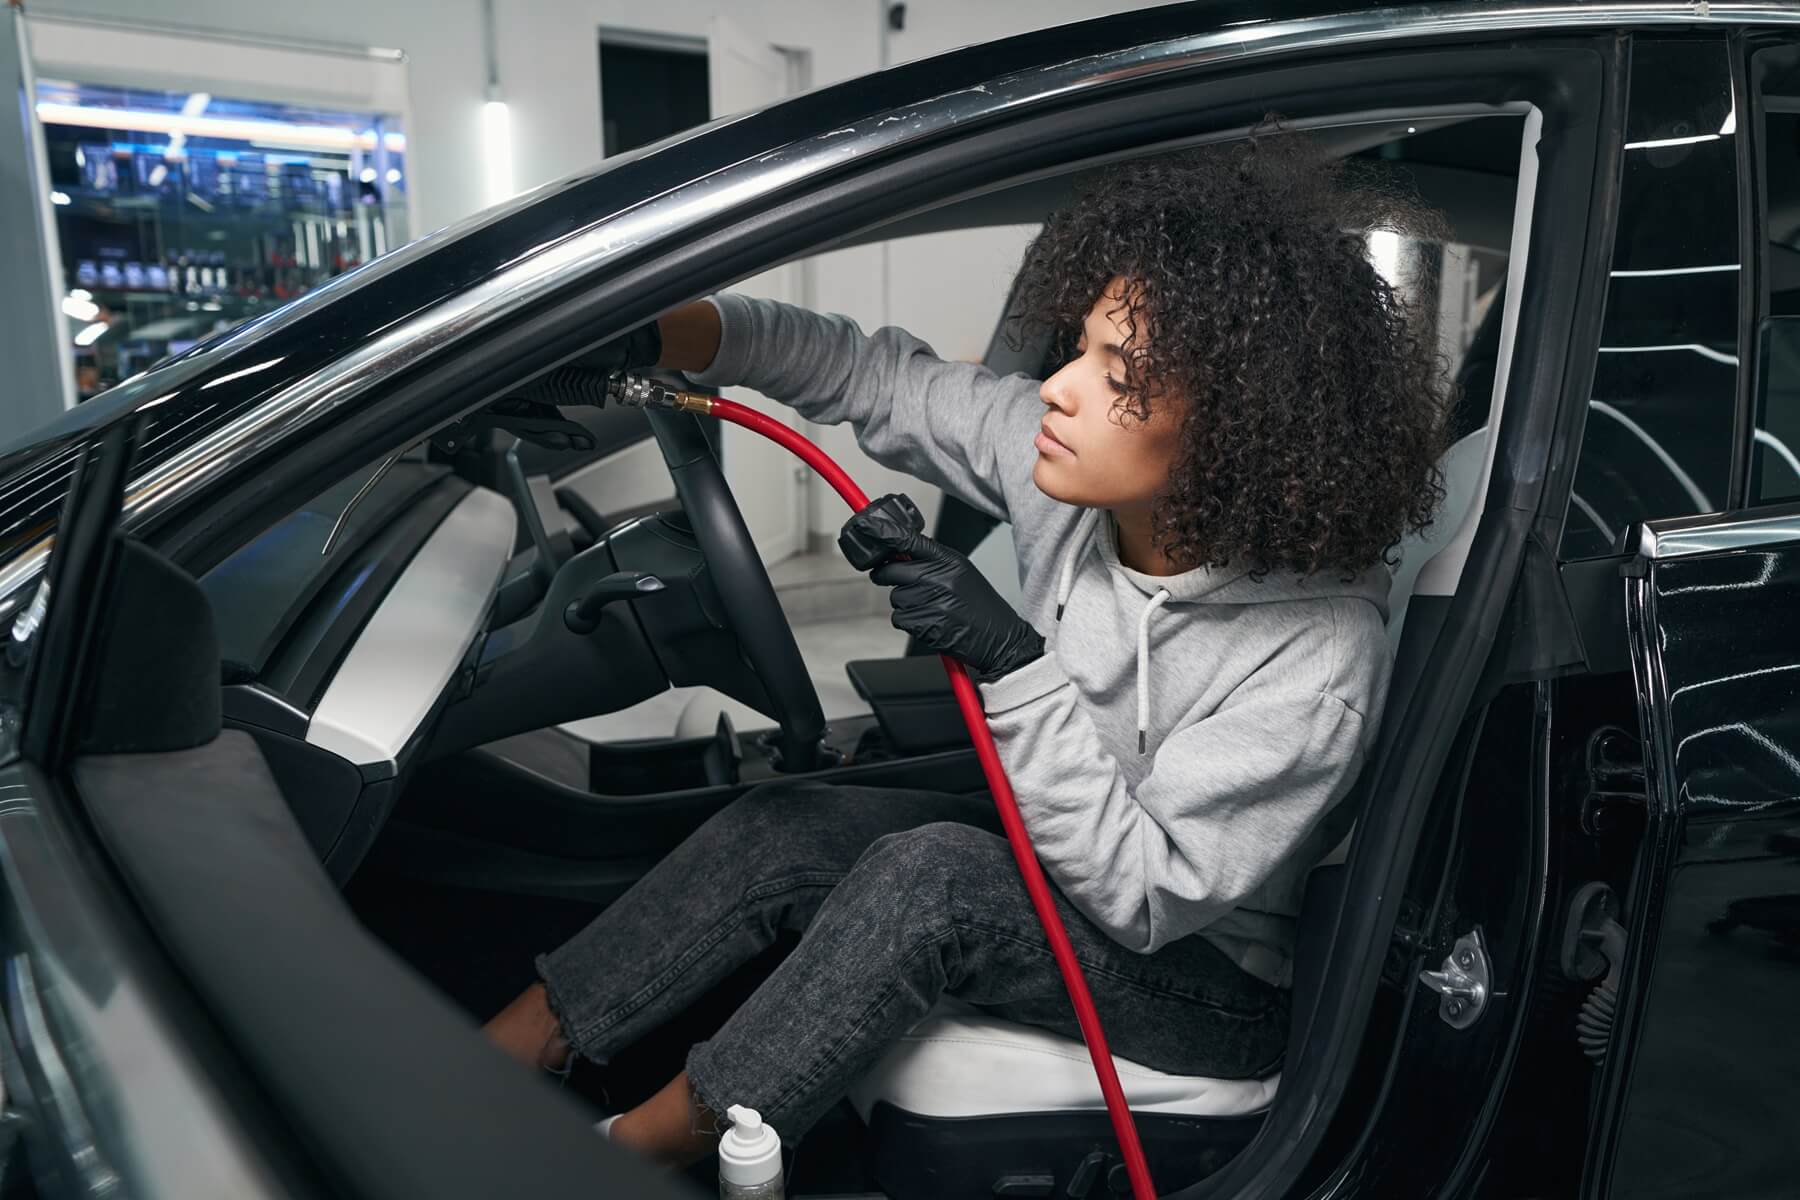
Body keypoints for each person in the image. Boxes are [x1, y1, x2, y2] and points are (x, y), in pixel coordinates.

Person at [483, 129, 1450, 1165]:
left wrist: (1011, 661)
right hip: (1060, 877)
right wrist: (662, 334)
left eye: (1119, 375)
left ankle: (611, 1160)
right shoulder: (1062, 475)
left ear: (1236, 430)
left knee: (933, 879)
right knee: (784, 824)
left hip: (1208, 983)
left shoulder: (1316, 658)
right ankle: (490, 1062)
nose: (1059, 388)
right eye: (1081, 348)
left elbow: (1144, 897)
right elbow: (868, 375)